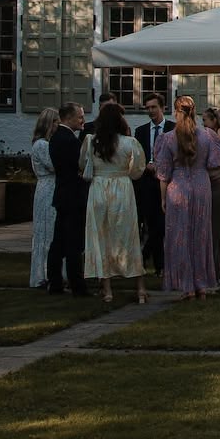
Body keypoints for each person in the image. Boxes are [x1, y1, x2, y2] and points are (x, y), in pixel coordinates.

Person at [155, 94, 220, 297]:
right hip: (202, 186)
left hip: (178, 187)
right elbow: (215, 162)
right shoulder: (207, 135)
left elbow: (163, 173)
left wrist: (162, 198)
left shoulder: (167, 138)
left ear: (176, 111)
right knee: (201, 236)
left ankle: (186, 286)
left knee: (179, 236)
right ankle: (201, 284)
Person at [82, 99, 147, 305]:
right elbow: (138, 171)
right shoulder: (129, 143)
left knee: (101, 237)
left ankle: (108, 290)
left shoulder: (92, 142)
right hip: (122, 188)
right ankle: (141, 289)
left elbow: (83, 166)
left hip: (99, 189)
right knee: (128, 236)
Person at [44, 102, 89, 297]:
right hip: (73, 198)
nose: (83, 120)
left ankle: (55, 283)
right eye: (80, 117)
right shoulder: (69, 140)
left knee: (59, 243)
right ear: (69, 118)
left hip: (63, 196)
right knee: (72, 244)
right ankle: (77, 285)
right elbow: (79, 167)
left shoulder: (56, 138)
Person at [134, 93, 173, 274]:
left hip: (169, 181)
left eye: (153, 107)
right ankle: (159, 265)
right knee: (152, 224)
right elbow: (136, 157)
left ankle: (150, 255)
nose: (150, 111)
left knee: (164, 225)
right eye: (147, 108)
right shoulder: (141, 131)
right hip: (148, 183)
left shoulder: (173, 128)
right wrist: (147, 166)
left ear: (162, 108)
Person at [25, 107, 59, 289]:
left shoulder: (44, 144)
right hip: (48, 188)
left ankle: (50, 272)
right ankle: (43, 274)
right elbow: (54, 165)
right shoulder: (41, 145)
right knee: (46, 232)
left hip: (48, 187)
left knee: (51, 230)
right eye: (55, 123)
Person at [201, 102, 220, 287]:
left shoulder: (219, 136)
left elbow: (217, 158)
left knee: (217, 227)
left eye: (205, 120)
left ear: (213, 120)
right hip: (209, 180)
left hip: (217, 181)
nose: (202, 124)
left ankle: (217, 269)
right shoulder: (210, 135)